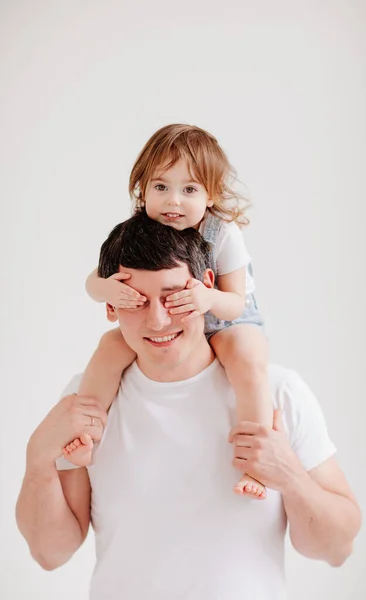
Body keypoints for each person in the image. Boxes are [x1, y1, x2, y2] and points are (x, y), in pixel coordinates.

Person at [16, 212, 361, 600]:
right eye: (136, 301)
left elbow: (337, 548)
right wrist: (37, 460)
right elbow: (50, 553)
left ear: (207, 287)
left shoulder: (275, 393)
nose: (159, 320)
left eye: (173, 296)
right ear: (110, 306)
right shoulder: (89, 400)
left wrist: (290, 477)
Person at [62, 123, 271, 499]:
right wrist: (106, 287)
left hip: (224, 315)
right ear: (143, 190)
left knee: (245, 354)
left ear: (211, 195)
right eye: (161, 187)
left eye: (189, 189)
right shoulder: (142, 231)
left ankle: (257, 459)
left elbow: (236, 301)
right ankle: (87, 431)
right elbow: (92, 283)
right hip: (168, 318)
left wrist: (206, 299)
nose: (173, 201)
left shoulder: (222, 234)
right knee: (110, 347)